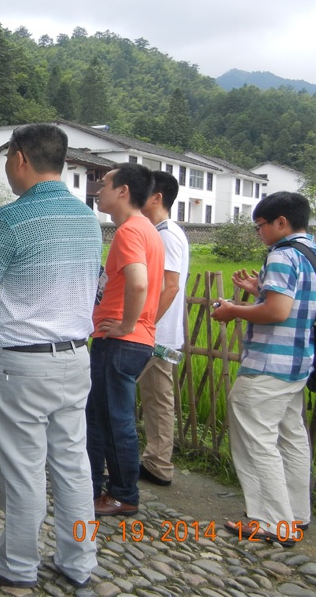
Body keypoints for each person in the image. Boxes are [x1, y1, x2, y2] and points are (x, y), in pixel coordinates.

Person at [0, 124, 101, 589]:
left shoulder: (11, 218)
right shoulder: (87, 218)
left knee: (21, 469)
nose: (6, 166)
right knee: (73, 465)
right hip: (75, 357)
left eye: (6, 158)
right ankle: (79, 561)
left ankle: (17, 565)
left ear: (20, 157)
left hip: (19, 363)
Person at [212, 191, 316, 546]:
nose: (259, 232)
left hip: (268, 364)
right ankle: (296, 514)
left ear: (281, 222)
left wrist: (233, 310)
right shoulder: (315, 254)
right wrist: (260, 290)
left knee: (256, 440)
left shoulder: (282, 254)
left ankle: (272, 522)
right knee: (291, 436)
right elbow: (297, 305)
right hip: (298, 363)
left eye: (260, 225)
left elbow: (278, 312)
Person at [88, 162, 164, 517]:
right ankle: (96, 485)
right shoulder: (146, 228)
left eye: (104, 184)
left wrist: (124, 324)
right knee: (102, 416)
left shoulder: (130, 231)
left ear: (123, 191)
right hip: (130, 339)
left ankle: (123, 494)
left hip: (121, 341)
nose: (97, 190)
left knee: (114, 419)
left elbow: (138, 282)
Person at [136, 170, 189, 487]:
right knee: (155, 398)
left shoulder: (166, 234)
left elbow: (170, 287)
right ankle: (156, 461)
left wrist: (143, 324)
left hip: (156, 335)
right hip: (154, 331)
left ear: (157, 197)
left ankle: (158, 464)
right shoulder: (160, 231)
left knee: (157, 399)